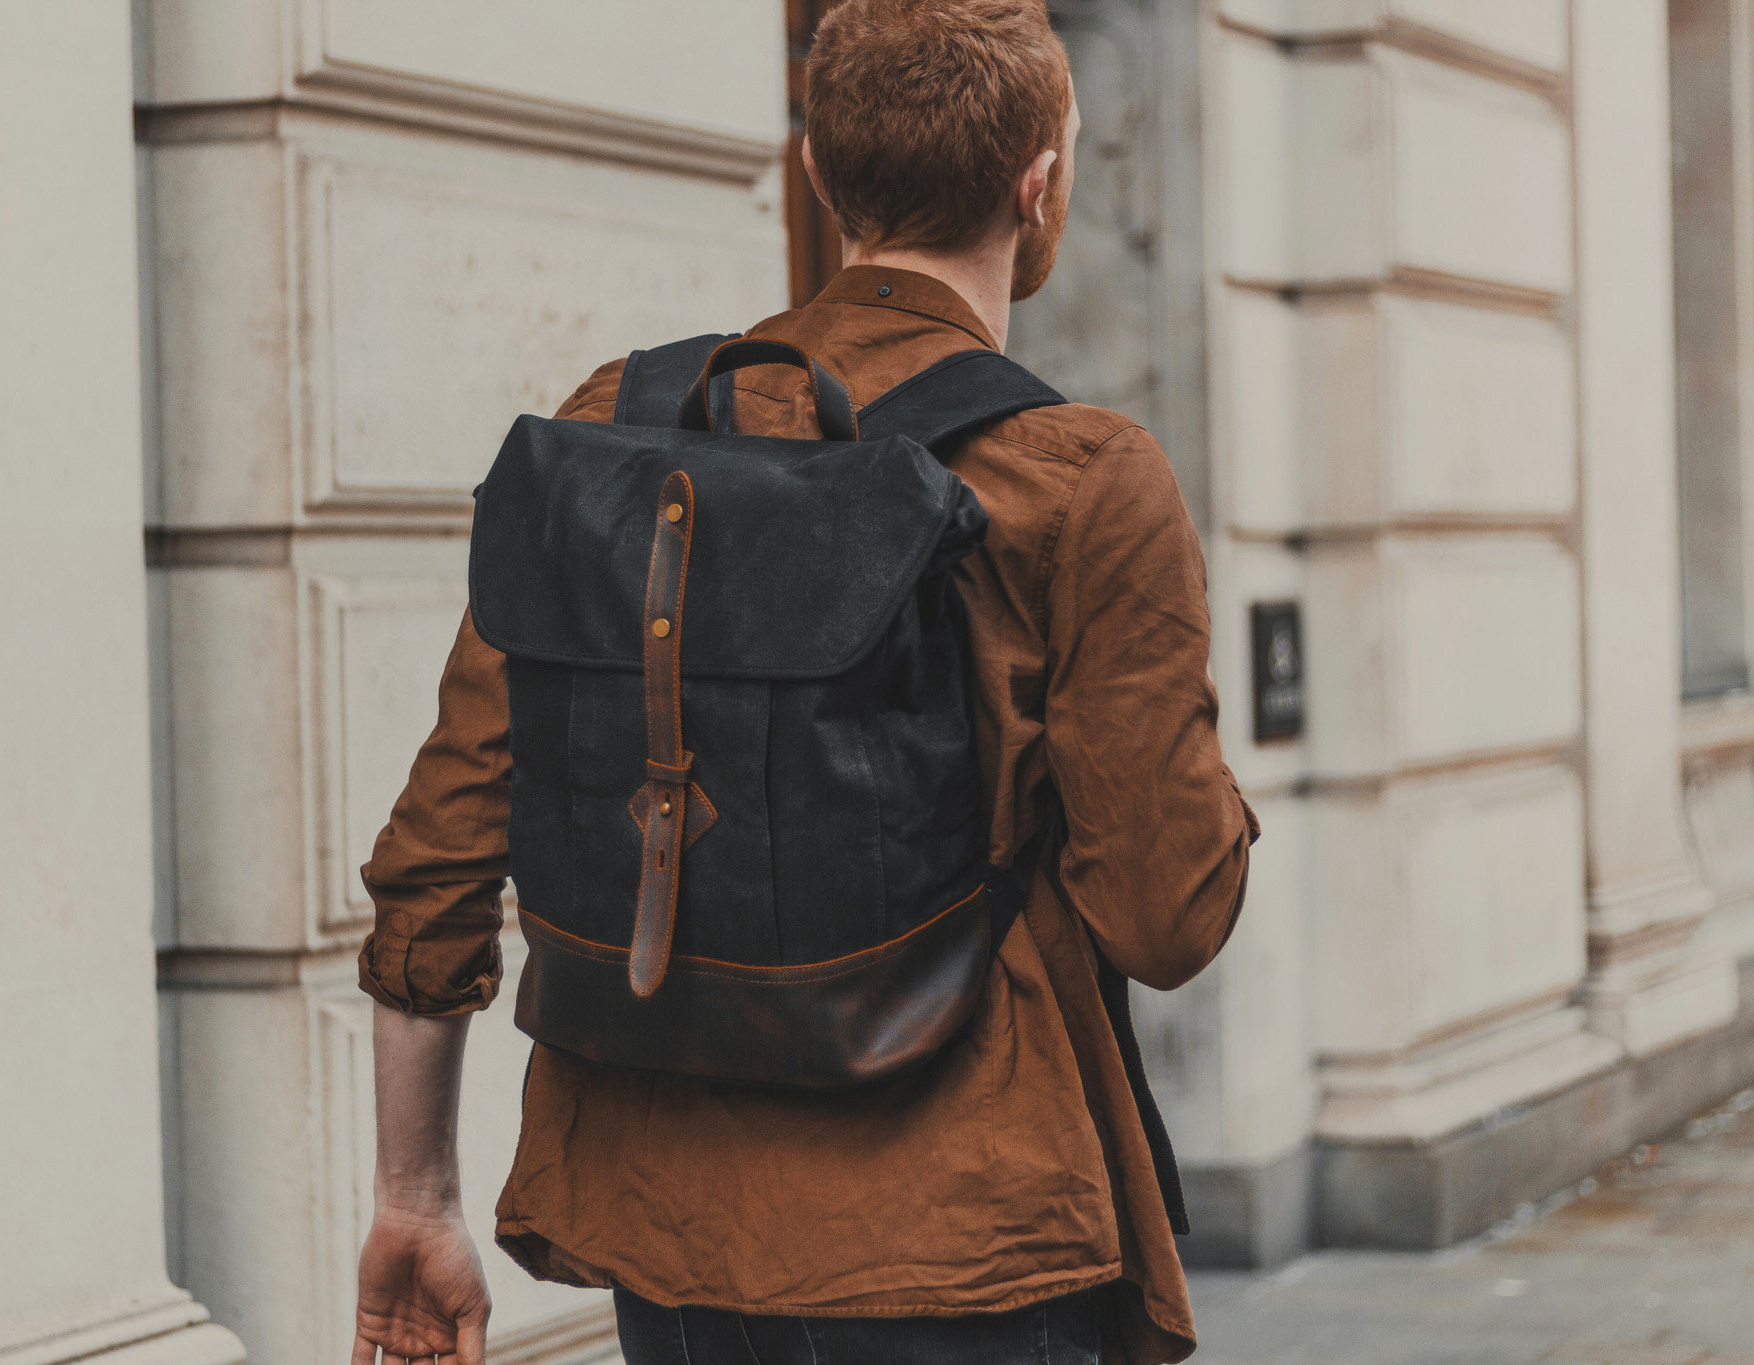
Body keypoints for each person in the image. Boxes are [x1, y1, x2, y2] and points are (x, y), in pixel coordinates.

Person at [350, 2, 1257, 1362]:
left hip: (674, 1229)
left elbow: (440, 856)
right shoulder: (1082, 476)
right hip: (974, 1233)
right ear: (1041, 180)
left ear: (817, 173)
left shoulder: (616, 432)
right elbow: (1168, 917)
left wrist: (414, 1196)